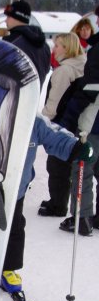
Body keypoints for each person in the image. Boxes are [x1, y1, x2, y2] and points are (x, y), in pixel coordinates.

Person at [1, 117, 94, 294]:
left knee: (14, 227)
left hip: (15, 187)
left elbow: (52, 134)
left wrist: (76, 147)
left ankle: (8, 268)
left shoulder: (31, 119)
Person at [0, 0, 52, 293]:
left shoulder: (13, 44)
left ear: (13, 17)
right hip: (27, 120)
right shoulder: (42, 45)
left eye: (7, 16)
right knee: (16, 200)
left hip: (5, 122)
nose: (5, 20)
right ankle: (10, 268)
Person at [56, 4, 99, 236]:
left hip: (94, 121)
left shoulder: (97, 51)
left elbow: (90, 89)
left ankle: (82, 218)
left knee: (83, 167)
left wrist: (69, 116)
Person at [39, 33, 86, 217]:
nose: (54, 49)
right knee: (68, 165)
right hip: (77, 122)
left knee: (56, 164)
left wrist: (42, 121)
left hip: (62, 123)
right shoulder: (82, 65)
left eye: (57, 45)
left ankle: (57, 205)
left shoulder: (64, 71)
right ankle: (60, 202)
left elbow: (54, 102)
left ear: (67, 48)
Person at [2, 0, 51, 88]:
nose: (6, 21)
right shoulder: (44, 46)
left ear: (17, 17)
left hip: (12, 94)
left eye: (8, 17)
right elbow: (45, 70)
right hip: (34, 94)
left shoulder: (11, 43)